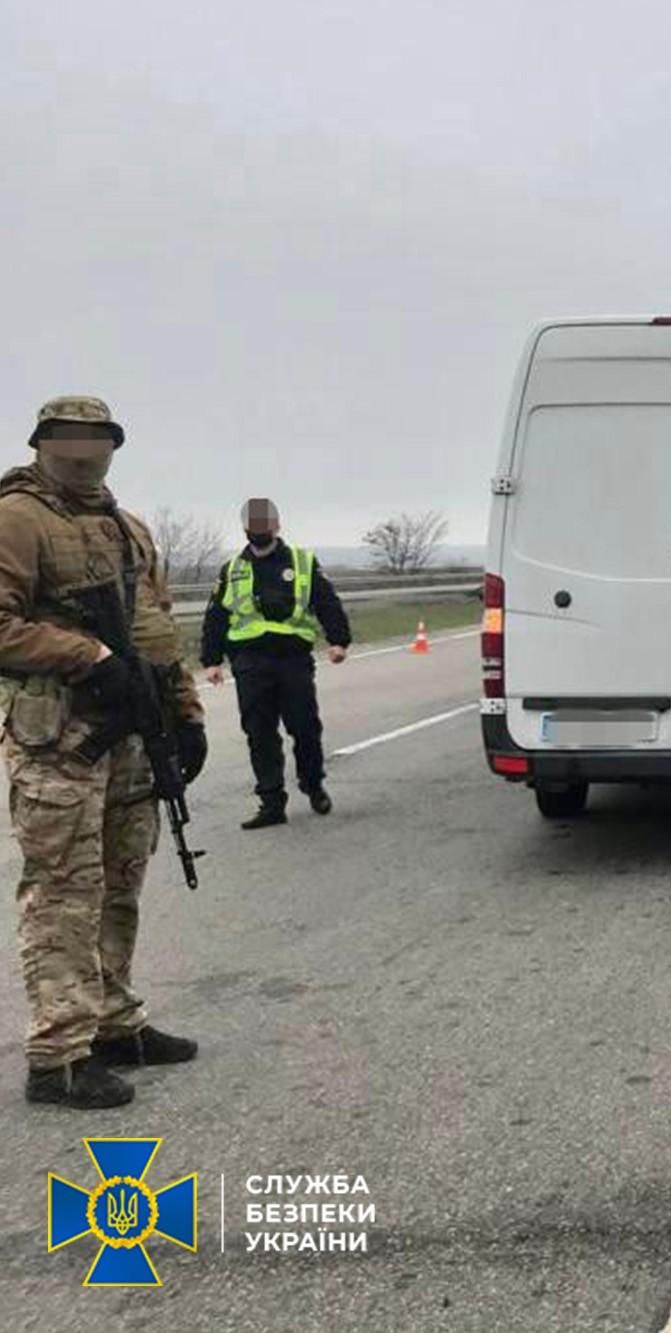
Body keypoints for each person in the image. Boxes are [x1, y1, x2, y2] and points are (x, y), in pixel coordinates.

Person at [0, 396, 207, 1109]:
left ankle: (114, 1022)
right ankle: (58, 1054)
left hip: (128, 735)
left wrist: (184, 711)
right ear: (43, 443)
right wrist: (84, 652)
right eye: (70, 440)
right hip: (59, 733)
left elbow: (155, 627)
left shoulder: (127, 527)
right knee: (64, 888)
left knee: (120, 881)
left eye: (98, 439)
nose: (85, 452)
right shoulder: (17, 517)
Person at [200, 498, 351, 829]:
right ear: (245, 530)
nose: (260, 531)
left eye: (265, 525)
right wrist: (211, 660)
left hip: (292, 660)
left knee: (305, 727)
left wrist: (338, 640)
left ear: (277, 526)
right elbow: (216, 615)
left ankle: (313, 785)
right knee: (260, 733)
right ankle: (271, 802)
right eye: (254, 527)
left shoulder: (301, 562)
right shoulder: (233, 569)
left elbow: (326, 601)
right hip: (250, 663)